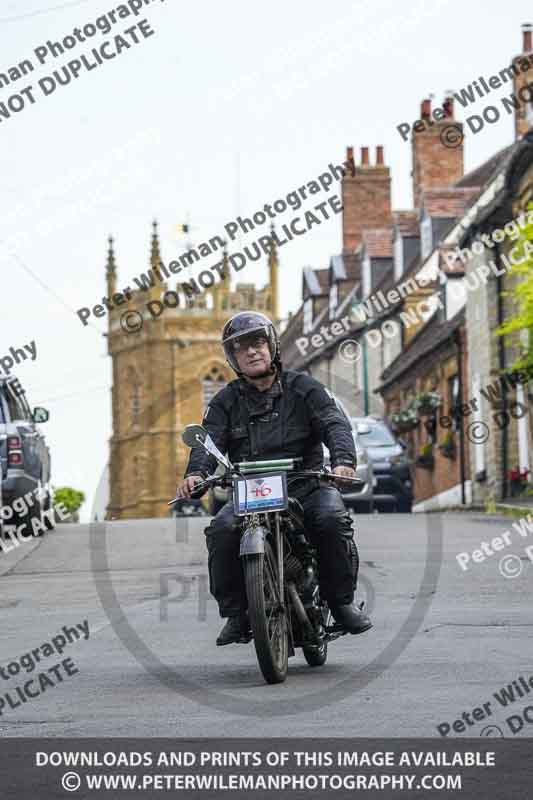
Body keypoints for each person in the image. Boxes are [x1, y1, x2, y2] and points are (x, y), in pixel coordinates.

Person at [176, 311, 372, 645]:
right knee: (222, 530)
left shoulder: (305, 388)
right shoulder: (225, 401)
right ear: (232, 357)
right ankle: (237, 613)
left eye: (257, 342)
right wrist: (196, 473)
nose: (251, 352)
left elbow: (333, 423)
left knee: (330, 519)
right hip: (251, 489)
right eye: (241, 348)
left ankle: (341, 603)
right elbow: (208, 441)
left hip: (305, 483)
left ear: (272, 345)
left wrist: (343, 462)